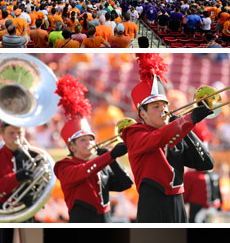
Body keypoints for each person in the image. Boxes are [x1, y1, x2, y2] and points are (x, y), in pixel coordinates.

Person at [122, 53, 215, 223]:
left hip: (178, 203)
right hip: (153, 205)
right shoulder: (134, 133)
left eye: (165, 105)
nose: (163, 110)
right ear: (142, 113)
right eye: (156, 107)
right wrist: (188, 120)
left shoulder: (175, 131)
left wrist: (187, 127)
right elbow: (158, 138)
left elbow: (207, 163)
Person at [54, 75, 133, 223]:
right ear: (72, 146)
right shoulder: (64, 166)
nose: (89, 143)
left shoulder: (101, 163)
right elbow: (83, 171)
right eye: (83, 140)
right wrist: (109, 156)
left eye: (90, 139)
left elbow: (125, 184)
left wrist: (113, 160)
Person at [0, 122, 36, 222]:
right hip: (4, 213)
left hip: (27, 212)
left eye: (19, 132)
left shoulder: (33, 155)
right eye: (11, 133)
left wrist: (34, 194)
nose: (16, 136)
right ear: (3, 135)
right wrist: (16, 177)